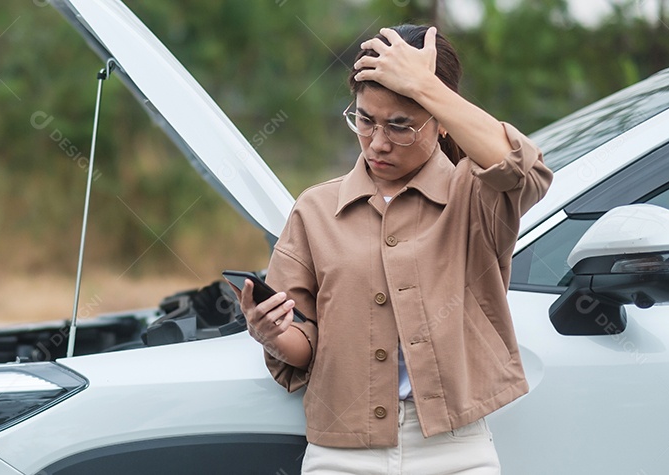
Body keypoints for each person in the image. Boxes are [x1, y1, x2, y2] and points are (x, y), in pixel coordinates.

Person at [231, 24, 553, 474]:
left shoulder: (474, 197)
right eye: (364, 120)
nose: (378, 143)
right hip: (341, 452)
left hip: (455, 450)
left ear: (440, 121)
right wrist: (270, 333)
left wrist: (422, 83)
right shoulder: (316, 209)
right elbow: (303, 343)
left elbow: (526, 171)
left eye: (400, 126)